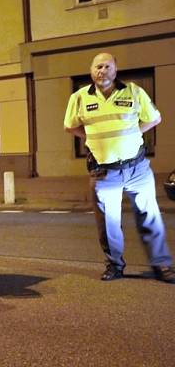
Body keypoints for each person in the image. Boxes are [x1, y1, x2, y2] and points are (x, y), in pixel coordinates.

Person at [64, 52, 173, 283]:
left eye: (107, 66)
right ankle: (114, 265)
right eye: (98, 67)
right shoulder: (80, 97)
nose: (102, 71)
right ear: (91, 71)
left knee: (150, 218)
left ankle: (161, 266)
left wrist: (133, 132)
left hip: (137, 169)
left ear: (115, 70)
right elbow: (70, 126)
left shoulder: (134, 91)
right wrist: (90, 138)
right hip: (104, 172)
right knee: (108, 223)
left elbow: (154, 119)